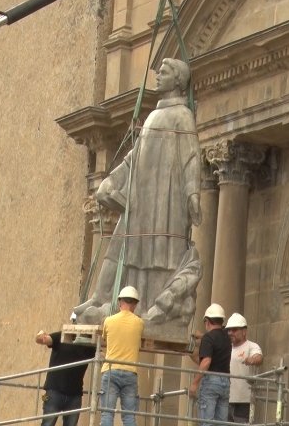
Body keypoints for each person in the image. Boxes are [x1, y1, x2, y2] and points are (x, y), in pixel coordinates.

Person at [74, 58, 202, 329]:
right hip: (143, 200)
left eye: (164, 72)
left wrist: (192, 193)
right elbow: (136, 156)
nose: (157, 76)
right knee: (123, 245)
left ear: (178, 79)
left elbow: (191, 156)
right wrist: (114, 178)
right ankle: (103, 298)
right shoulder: (154, 116)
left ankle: (146, 304)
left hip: (166, 203)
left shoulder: (182, 115)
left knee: (159, 255)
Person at [33, 329, 96, 426]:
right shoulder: (62, 336)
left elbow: (102, 353)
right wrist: (41, 337)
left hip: (74, 395)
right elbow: (42, 340)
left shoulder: (89, 345)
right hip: (54, 392)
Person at [99, 286, 144, 426]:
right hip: (130, 372)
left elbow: (105, 339)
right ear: (135, 304)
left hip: (111, 370)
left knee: (107, 413)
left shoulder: (109, 321)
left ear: (119, 302)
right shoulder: (139, 323)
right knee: (129, 416)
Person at [189, 303, 232, 426]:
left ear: (207, 321)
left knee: (206, 423)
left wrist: (195, 383)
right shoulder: (227, 338)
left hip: (211, 381)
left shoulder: (208, 338)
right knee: (222, 425)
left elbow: (206, 361)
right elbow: (216, 340)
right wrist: (203, 337)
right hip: (225, 381)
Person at [225, 312, 263, 426]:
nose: (231, 333)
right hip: (227, 400)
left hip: (243, 401)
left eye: (234, 330)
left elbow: (258, 357)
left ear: (244, 331)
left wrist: (252, 359)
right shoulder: (226, 348)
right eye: (229, 330)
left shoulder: (251, 346)